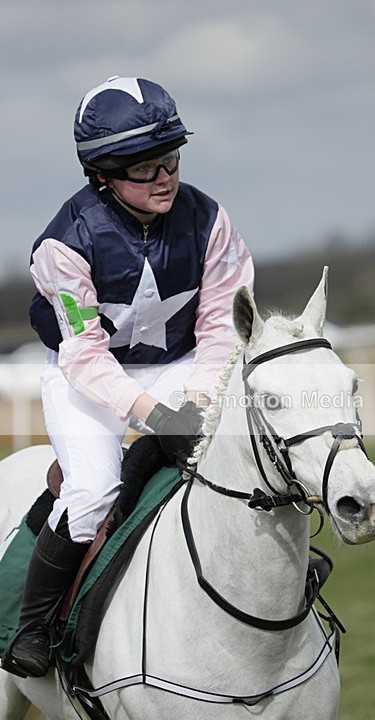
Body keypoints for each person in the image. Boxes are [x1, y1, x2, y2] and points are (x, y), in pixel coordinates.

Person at [2, 76, 254, 678]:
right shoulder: (63, 245)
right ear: (103, 175)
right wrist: (156, 416)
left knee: (242, 457)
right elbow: (85, 356)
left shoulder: (211, 220)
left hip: (184, 364)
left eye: (171, 160)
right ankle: (31, 625)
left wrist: (198, 400)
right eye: (145, 169)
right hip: (86, 375)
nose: (165, 178)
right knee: (92, 491)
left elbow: (222, 325)